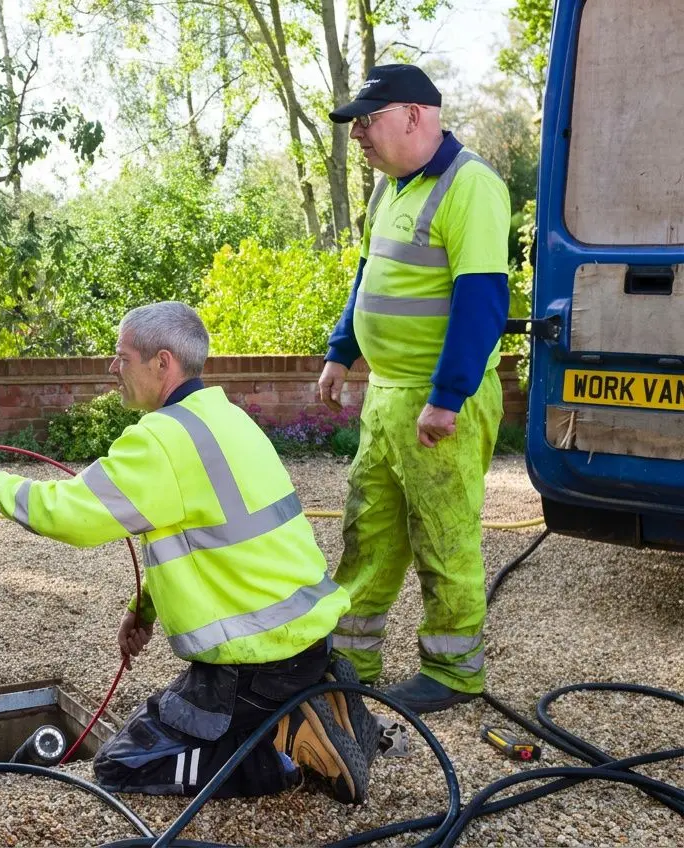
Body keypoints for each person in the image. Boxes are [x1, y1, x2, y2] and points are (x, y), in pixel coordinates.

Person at [0, 302, 377, 803]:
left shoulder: (164, 439)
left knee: (124, 766)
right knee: (161, 732)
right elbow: (207, 543)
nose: (112, 367)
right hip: (300, 642)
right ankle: (313, 694)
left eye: (121, 356)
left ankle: (284, 746)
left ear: (161, 363)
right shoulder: (226, 418)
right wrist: (141, 609)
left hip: (256, 663)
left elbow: (69, 514)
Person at [318, 64, 511, 713]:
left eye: (367, 122)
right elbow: (369, 279)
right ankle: (350, 657)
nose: (359, 137)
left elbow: (481, 301)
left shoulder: (471, 186)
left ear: (416, 115)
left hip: (437, 401)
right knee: (368, 529)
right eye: (355, 126)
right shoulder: (387, 191)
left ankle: (454, 673)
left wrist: (449, 396)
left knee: (442, 534)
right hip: (388, 395)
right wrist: (342, 353)